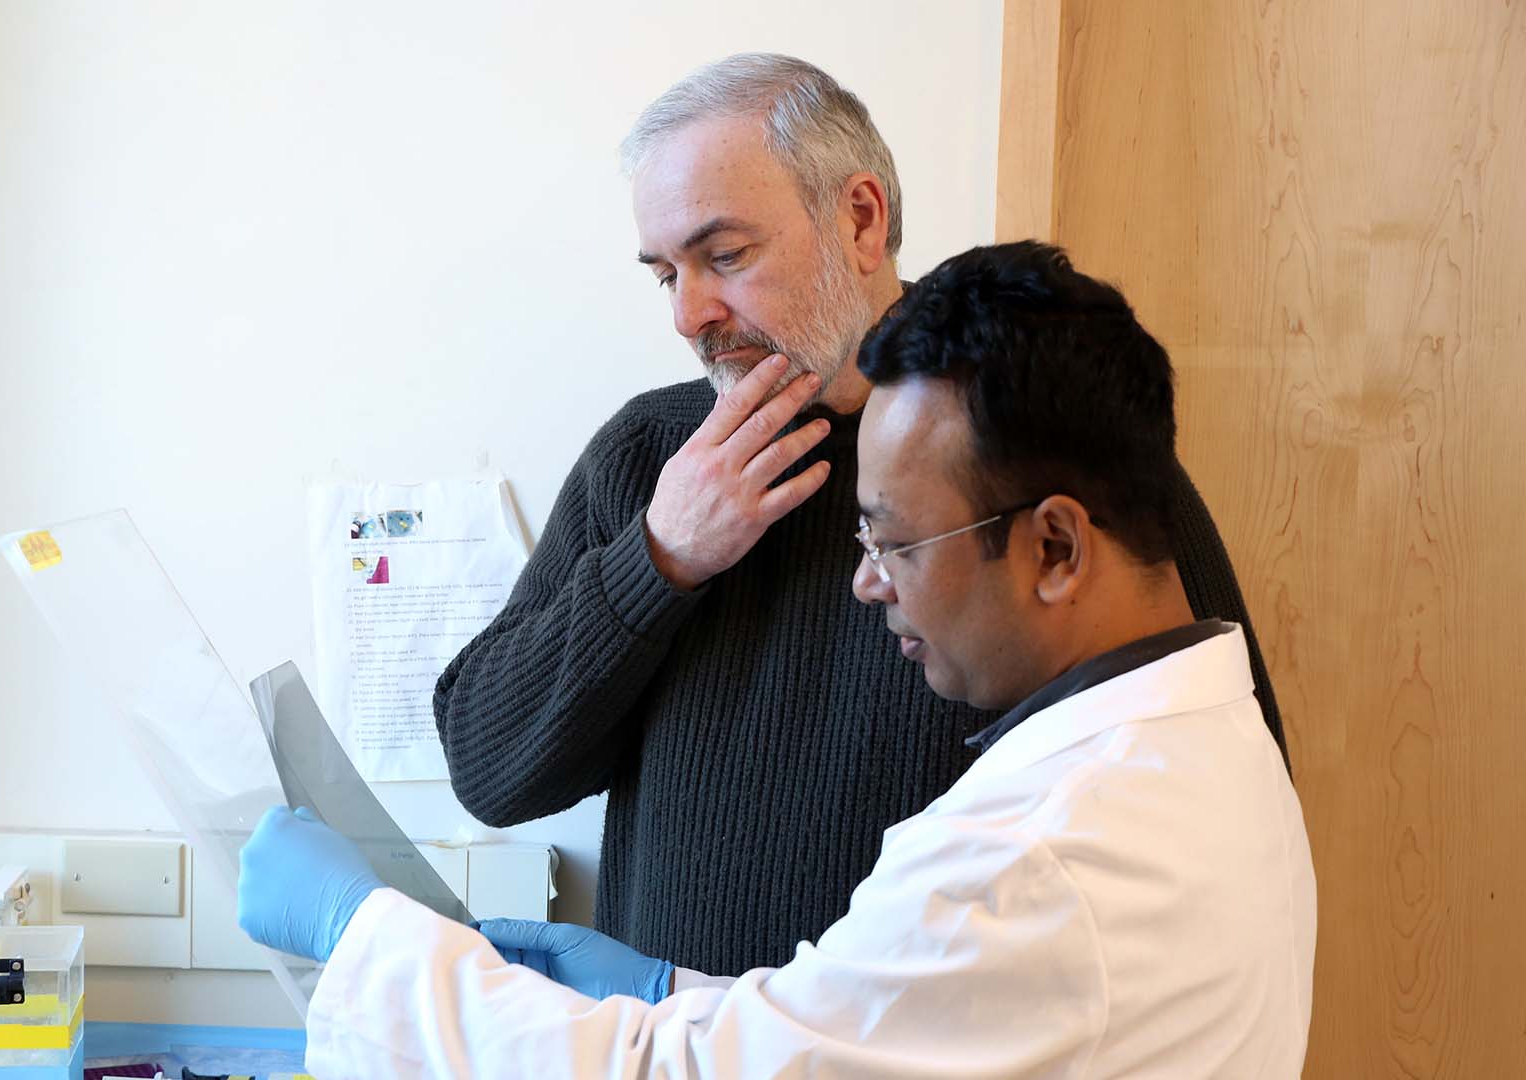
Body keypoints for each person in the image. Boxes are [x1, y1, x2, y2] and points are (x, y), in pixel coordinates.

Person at [237, 242, 1316, 1077]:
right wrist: (673, 989)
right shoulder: (1199, 739)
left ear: (1057, 547)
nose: (867, 582)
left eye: (895, 543)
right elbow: (869, 1037)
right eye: (664, 270)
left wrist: (364, 934)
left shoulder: (1033, 861)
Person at [432, 52, 1287, 977]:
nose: (690, 313)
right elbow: (493, 771)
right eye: (665, 274)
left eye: (725, 256)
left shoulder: (1040, 433)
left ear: (862, 219)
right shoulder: (651, 456)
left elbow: (1210, 777)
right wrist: (658, 559)